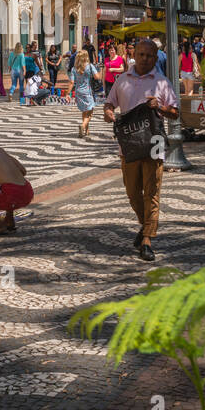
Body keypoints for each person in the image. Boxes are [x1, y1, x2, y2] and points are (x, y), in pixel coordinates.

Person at [105, 38, 179, 261]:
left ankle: (147, 239)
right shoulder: (122, 80)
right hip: (128, 145)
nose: (145, 59)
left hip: (154, 144)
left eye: (150, 56)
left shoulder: (161, 82)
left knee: (152, 192)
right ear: (134, 54)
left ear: (155, 58)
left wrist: (161, 107)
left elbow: (175, 112)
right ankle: (145, 224)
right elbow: (110, 103)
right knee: (132, 193)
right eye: (141, 54)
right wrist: (108, 112)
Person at [71, 49, 100, 137]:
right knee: (90, 111)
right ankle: (83, 126)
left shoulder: (74, 69)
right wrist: (101, 71)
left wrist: (67, 94)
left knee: (84, 111)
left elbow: (72, 82)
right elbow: (97, 77)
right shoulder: (90, 66)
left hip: (78, 92)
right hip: (87, 91)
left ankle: (86, 130)